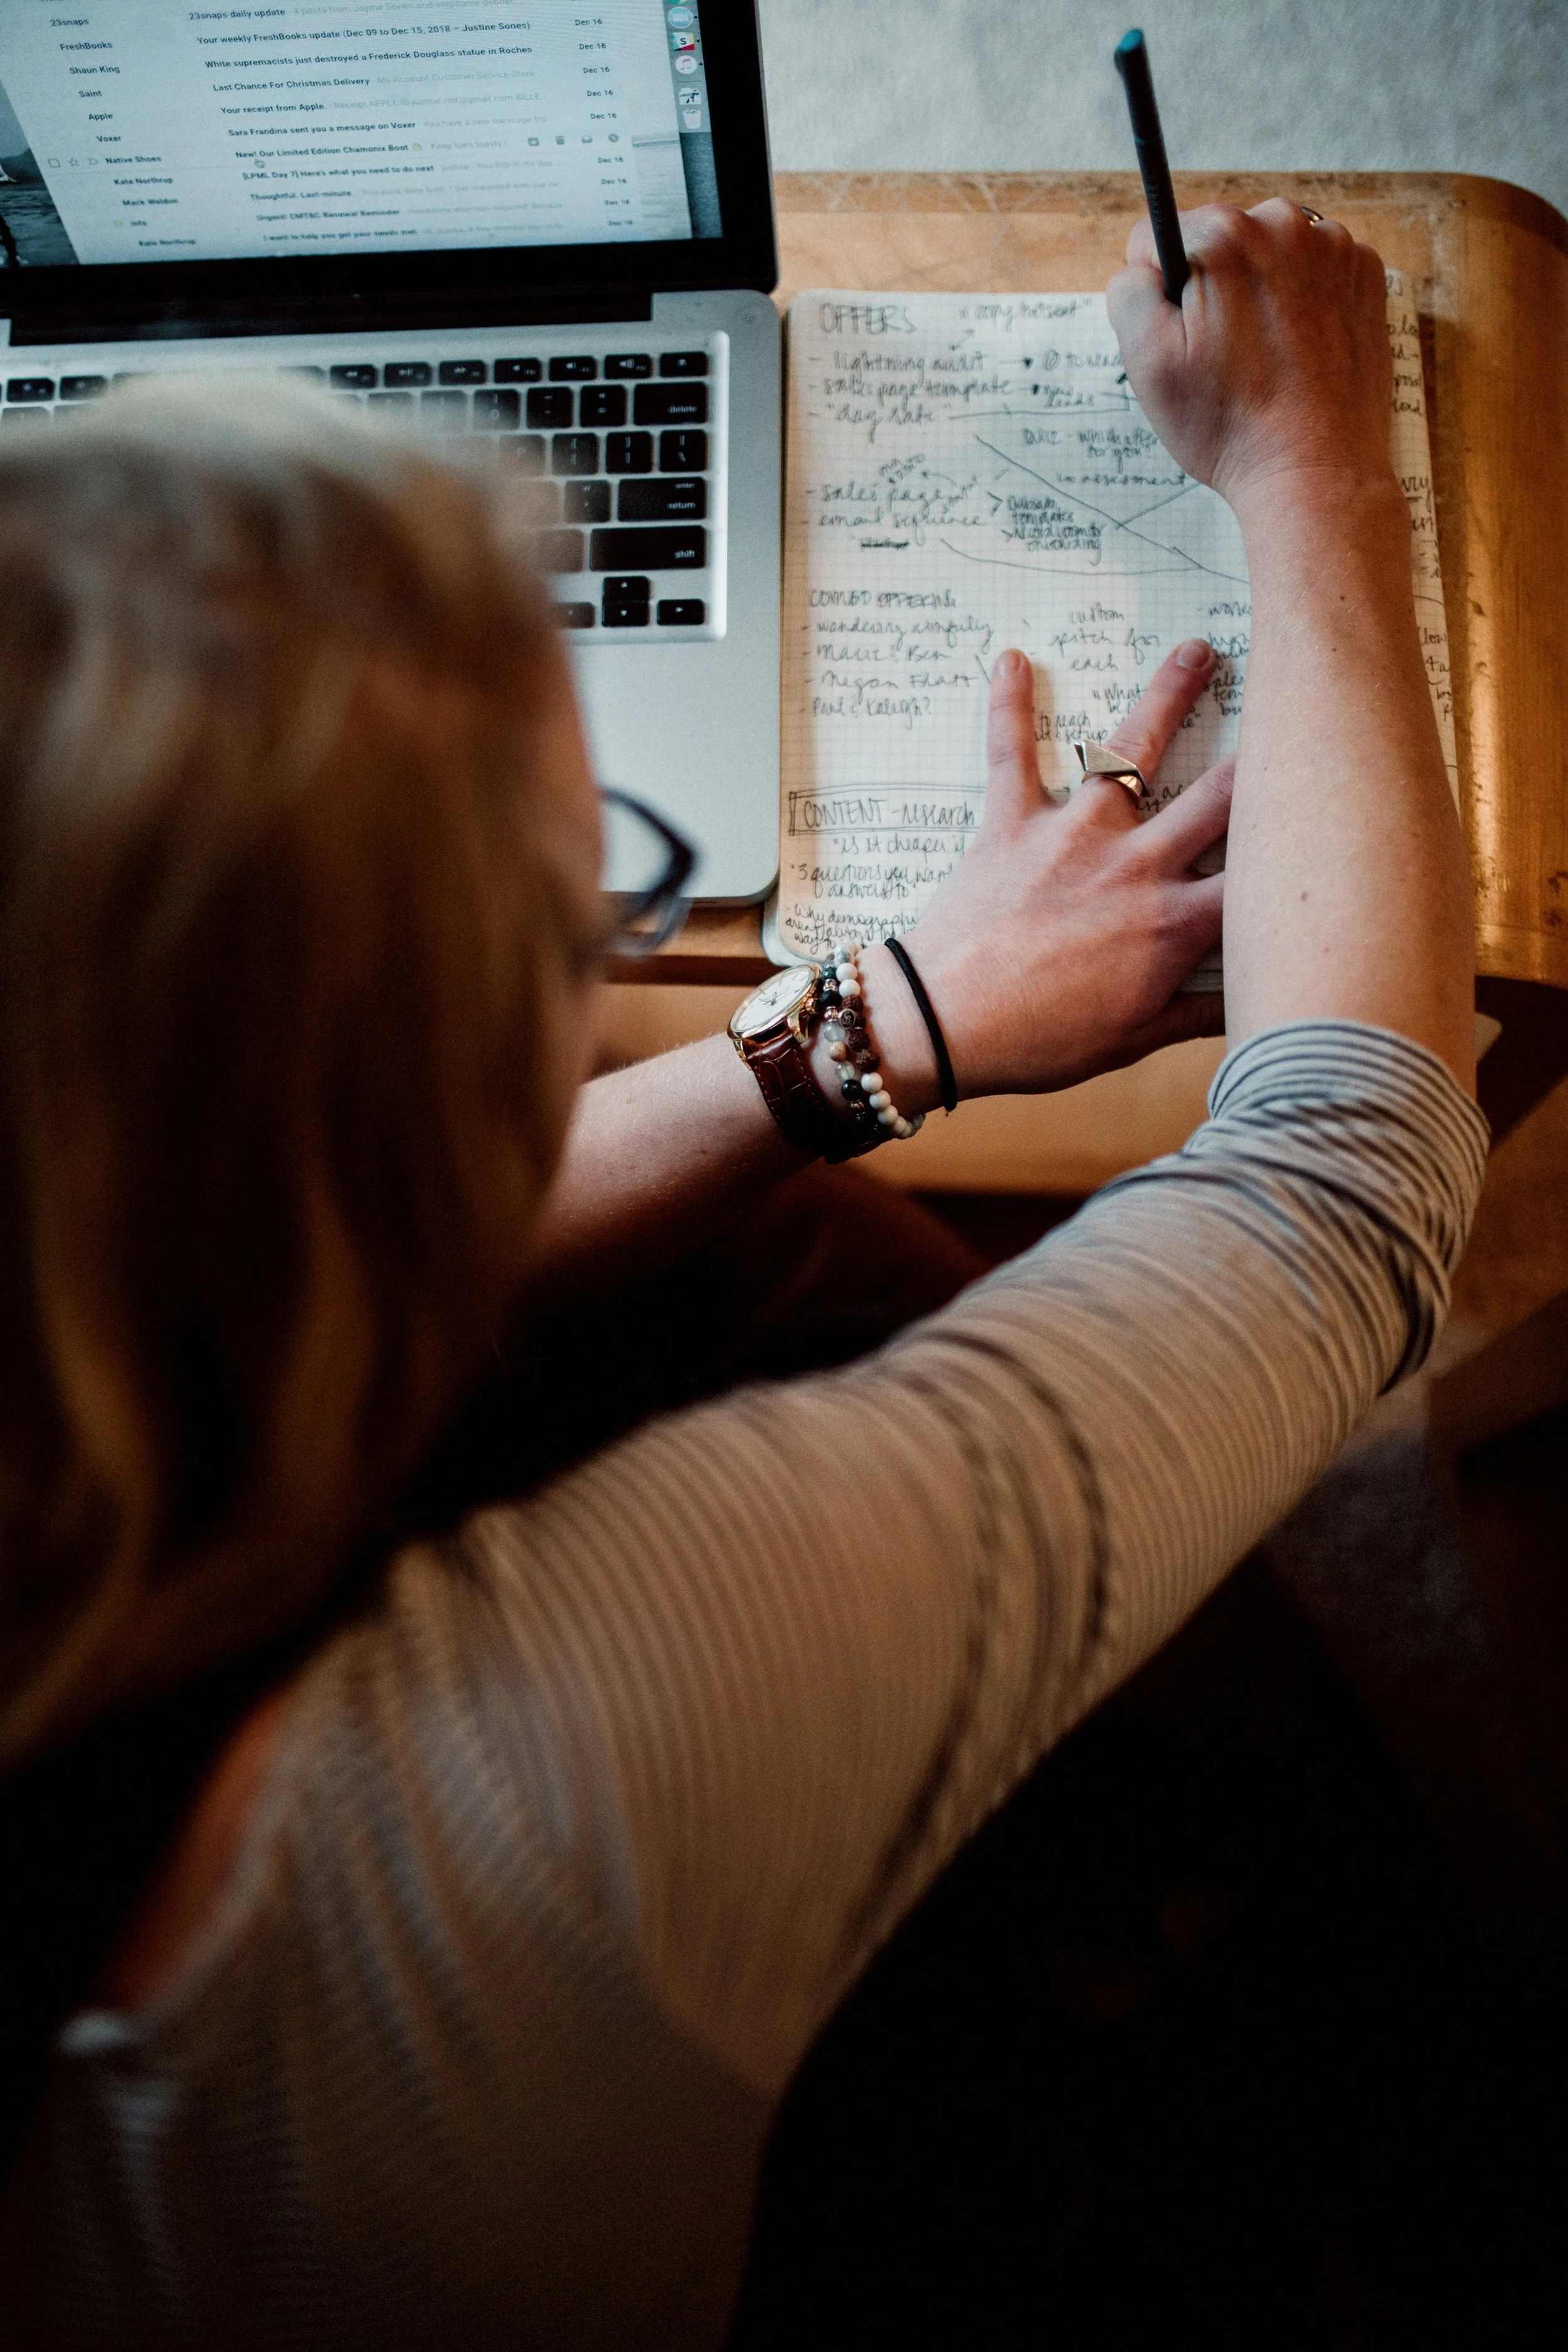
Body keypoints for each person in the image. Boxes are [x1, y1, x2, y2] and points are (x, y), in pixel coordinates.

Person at [0, 200, 1483, 2346]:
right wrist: (1309, 474)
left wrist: (879, 1017)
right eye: (591, 896)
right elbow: (1341, 1187)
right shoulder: (530, 1794)